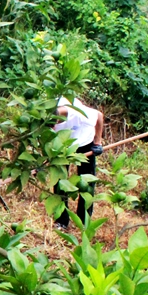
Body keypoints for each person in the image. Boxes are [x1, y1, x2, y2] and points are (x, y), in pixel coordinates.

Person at [53, 95, 104, 229]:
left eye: (53, 123)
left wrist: (97, 142)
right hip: (62, 145)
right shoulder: (49, 116)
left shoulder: (79, 113)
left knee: (87, 182)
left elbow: (99, 116)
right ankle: (61, 221)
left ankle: (84, 220)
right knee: (59, 181)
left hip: (85, 141)